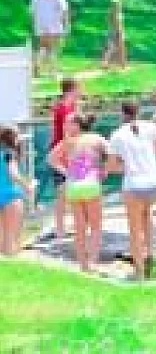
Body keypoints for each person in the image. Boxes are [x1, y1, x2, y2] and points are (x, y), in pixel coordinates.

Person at [107, 102, 156, 279]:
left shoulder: (117, 135)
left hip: (135, 185)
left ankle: (139, 271)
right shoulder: (150, 127)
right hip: (155, 182)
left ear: (122, 114)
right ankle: (151, 256)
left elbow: (112, 167)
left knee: (135, 229)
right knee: (147, 216)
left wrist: (127, 166)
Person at [48, 112, 109, 273]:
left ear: (77, 125)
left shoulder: (67, 142)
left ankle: (83, 266)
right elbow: (110, 155)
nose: (64, 126)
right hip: (91, 184)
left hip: (73, 186)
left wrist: (67, 172)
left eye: (68, 123)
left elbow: (51, 159)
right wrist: (103, 170)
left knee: (79, 228)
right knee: (95, 227)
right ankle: (93, 262)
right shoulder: (96, 138)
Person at [50, 76, 80, 241]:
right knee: (62, 191)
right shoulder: (62, 108)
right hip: (61, 153)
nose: (81, 91)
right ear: (72, 89)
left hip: (71, 151)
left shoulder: (72, 107)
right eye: (79, 88)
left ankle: (70, 224)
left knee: (73, 190)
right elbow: (64, 134)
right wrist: (66, 155)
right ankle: (60, 229)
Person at [0, 126, 36, 255]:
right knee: (12, 238)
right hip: (11, 196)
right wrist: (28, 186)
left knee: (2, 238)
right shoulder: (9, 154)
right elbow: (13, 174)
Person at [30, 0, 69, 76]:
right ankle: (52, 71)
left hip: (40, 23)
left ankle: (37, 66)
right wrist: (66, 25)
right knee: (52, 48)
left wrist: (35, 23)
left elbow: (32, 11)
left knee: (42, 46)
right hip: (54, 22)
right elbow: (64, 9)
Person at [101, 0, 127, 69]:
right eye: (118, 4)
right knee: (119, 48)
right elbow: (117, 24)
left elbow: (113, 23)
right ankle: (122, 64)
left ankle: (107, 62)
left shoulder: (114, 12)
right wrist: (119, 32)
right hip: (117, 31)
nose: (119, 5)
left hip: (113, 31)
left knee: (112, 47)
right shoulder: (116, 13)